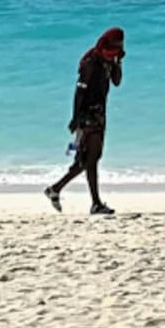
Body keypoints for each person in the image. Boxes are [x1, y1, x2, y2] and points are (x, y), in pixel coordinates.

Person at [45, 28, 125, 215]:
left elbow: (117, 82)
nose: (115, 50)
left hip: (100, 115)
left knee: (87, 160)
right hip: (87, 117)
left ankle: (55, 189)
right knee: (91, 159)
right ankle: (95, 203)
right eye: (114, 47)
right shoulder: (92, 63)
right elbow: (79, 92)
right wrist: (75, 118)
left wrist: (118, 62)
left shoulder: (109, 62)